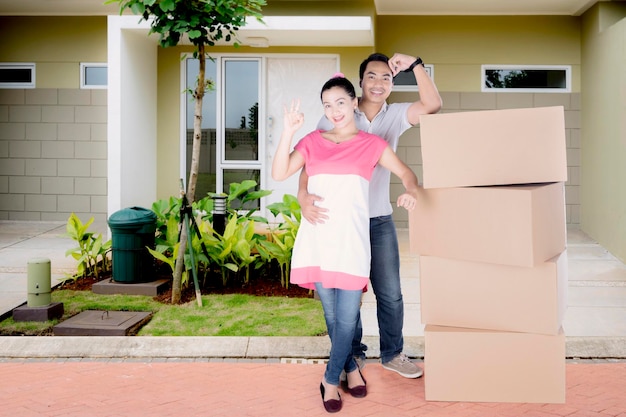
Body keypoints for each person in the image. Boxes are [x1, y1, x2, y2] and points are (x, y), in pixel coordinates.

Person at [272, 74, 419, 413]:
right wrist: (288, 131)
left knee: (348, 315)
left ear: (354, 103)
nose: (335, 110)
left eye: (341, 102)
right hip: (319, 239)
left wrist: (411, 193)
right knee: (332, 315)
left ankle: (329, 378)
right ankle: (351, 368)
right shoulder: (312, 140)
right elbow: (280, 172)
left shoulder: (372, 144)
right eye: (327, 105)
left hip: (352, 242)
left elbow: (407, 174)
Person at [298, 53, 443, 379]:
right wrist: (302, 195)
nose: (379, 83)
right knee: (348, 289)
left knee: (390, 292)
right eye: (372, 77)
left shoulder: (395, 116)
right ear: (360, 81)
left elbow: (432, 104)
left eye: (386, 78)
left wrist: (416, 64)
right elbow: (310, 160)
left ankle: (393, 353)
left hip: (378, 219)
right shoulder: (338, 114)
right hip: (340, 221)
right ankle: (353, 353)